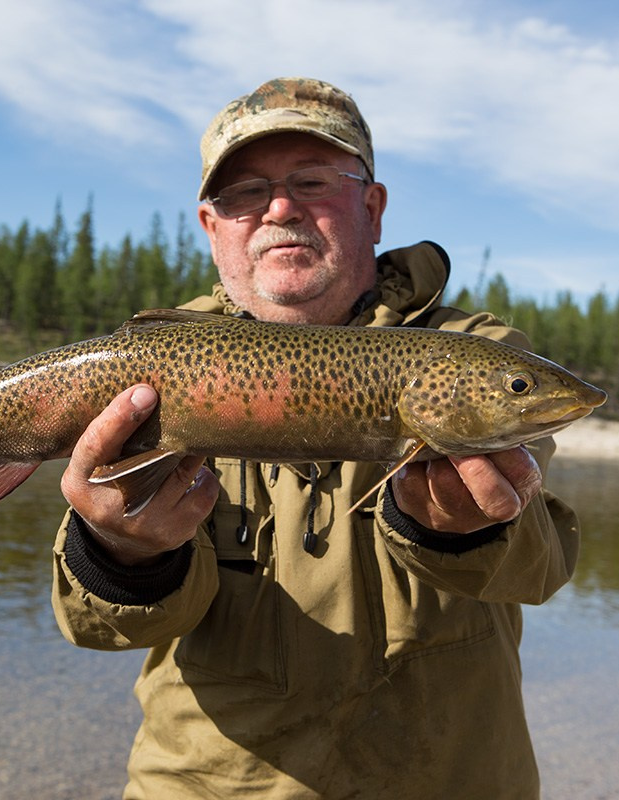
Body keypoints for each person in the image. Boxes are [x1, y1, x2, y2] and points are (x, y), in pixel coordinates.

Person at [52, 77, 579, 799]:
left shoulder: (475, 355)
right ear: (212, 228)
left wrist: (459, 531)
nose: (278, 208)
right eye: (244, 193)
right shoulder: (160, 364)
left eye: (311, 181)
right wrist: (121, 551)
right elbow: (105, 630)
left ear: (371, 207)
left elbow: (538, 568)